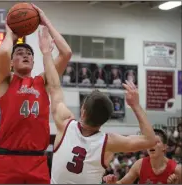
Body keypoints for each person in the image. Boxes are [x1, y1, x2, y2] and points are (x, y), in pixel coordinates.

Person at [40, 28, 158, 183]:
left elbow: (54, 86)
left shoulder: (65, 123)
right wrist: (135, 105)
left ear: (83, 112)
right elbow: (150, 140)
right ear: (105, 120)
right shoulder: (109, 142)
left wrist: (47, 54)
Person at [0, 4, 72, 183]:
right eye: (20, 53)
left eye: (29, 53)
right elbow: (4, 52)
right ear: (12, 63)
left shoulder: (42, 82)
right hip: (7, 160)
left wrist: (46, 22)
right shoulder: (5, 81)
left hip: (37, 160)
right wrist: (10, 33)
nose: (25, 55)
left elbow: (66, 53)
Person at [103, 129, 182, 184]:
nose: (152, 145)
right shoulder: (139, 164)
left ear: (164, 147)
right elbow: (122, 183)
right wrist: (113, 183)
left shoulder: (177, 169)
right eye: (150, 142)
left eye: (156, 142)